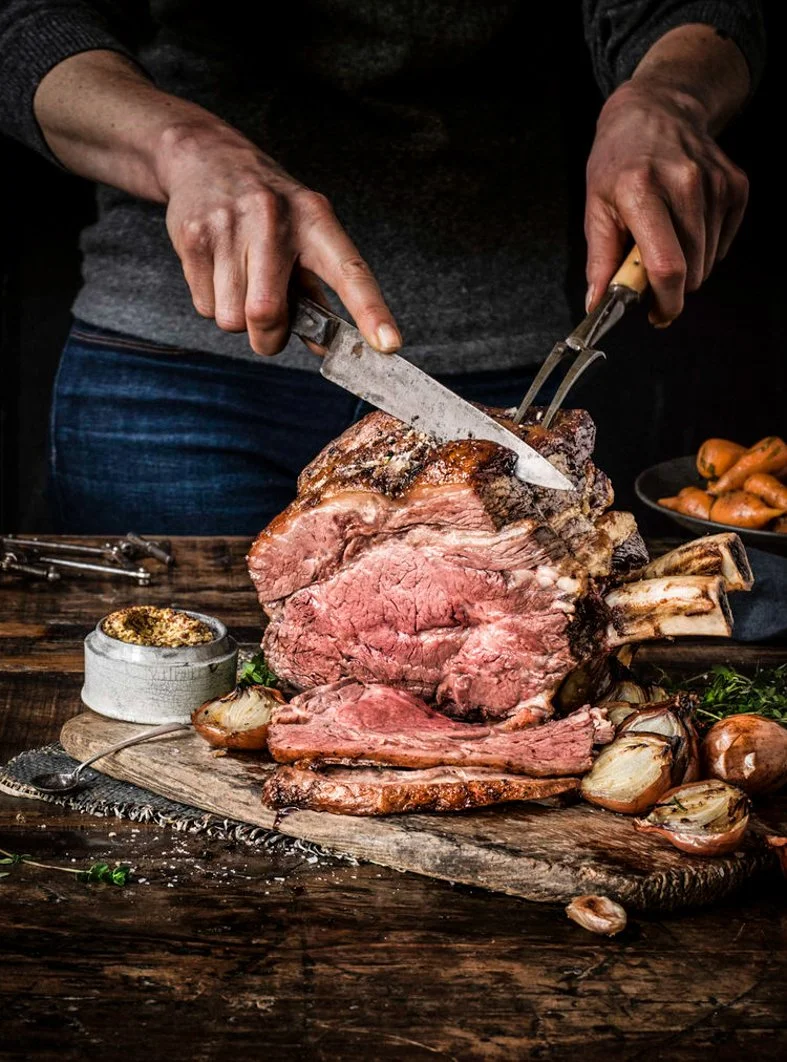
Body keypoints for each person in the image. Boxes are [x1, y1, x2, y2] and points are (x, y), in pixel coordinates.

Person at [0, 2, 765, 534]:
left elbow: (691, 7)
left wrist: (668, 96)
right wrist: (177, 145)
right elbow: (27, 22)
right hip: (165, 385)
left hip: (497, 383)